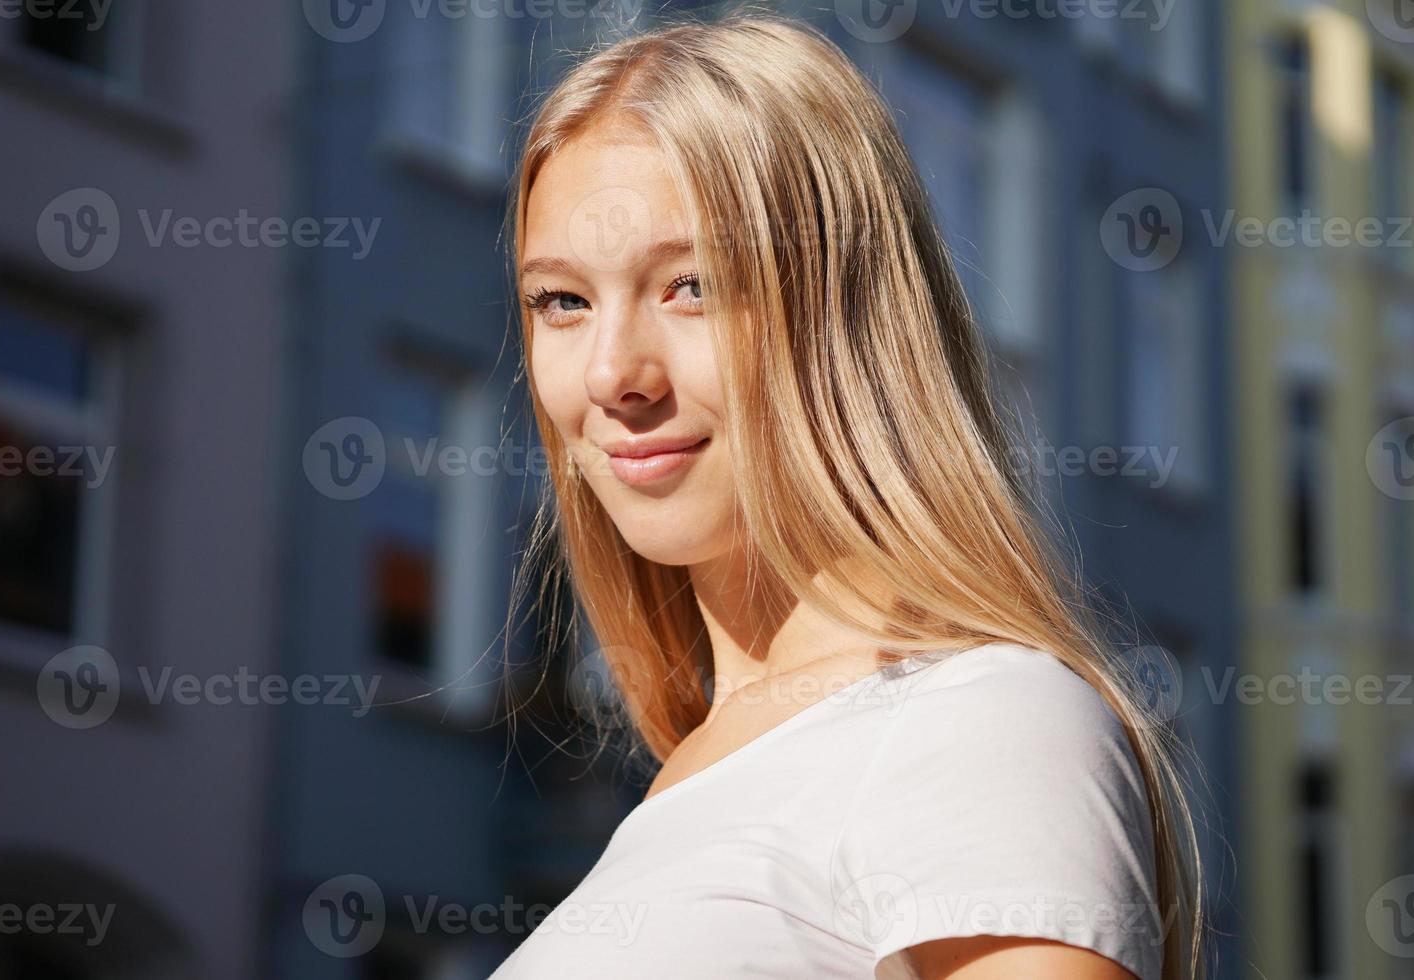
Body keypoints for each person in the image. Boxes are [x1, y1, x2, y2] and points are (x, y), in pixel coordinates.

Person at [494, 12, 1203, 979]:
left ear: (846, 319)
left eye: (693, 284)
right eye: (562, 302)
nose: (614, 371)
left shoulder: (980, 721)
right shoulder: (691, 780)